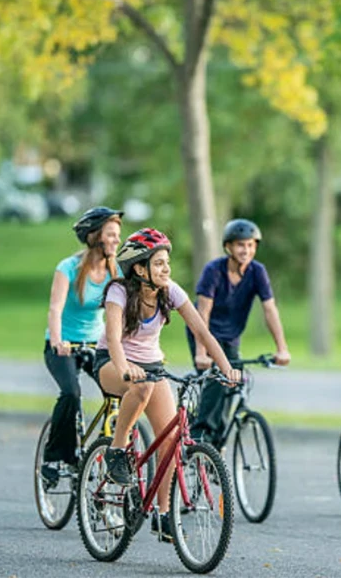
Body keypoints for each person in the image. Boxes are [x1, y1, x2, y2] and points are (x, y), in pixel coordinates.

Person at [94, 227, 241, 542]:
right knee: (141, 388)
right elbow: (115, 339)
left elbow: (203, 332)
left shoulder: (169, 291)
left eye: (167, 263)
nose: (166, 269)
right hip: (111, 362)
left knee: (171, 438)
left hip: (151, 367)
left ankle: (164, 515)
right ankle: (117, 451)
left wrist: (226, 367)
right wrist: (123, 368)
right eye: (158, 263)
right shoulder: (118, 292)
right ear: (139, 268)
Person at [186, 219, 291, 444]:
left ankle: (215, 444)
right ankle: (199, 435)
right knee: (217, 379)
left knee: (233, 382)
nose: (247, 250)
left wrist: (282, 348)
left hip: (231, 336)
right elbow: (203, 312)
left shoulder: (257, 272)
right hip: (204, 333)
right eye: (241, 245)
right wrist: (201, 353)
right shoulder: (213, 271)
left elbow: (270, 310)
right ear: (229, 247)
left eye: (251, 245)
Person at [41, 206, 123, 486]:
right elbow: (55, 308)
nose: (116, 240)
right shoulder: (68, 268)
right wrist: (57, 340)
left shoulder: (117, 271)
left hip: (96, 345)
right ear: (93, 237)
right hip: (64, 345)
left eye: (117, 235)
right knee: (71, 394)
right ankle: (54, 457)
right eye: (110, 234)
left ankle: (109, 450)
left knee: (121, 392)